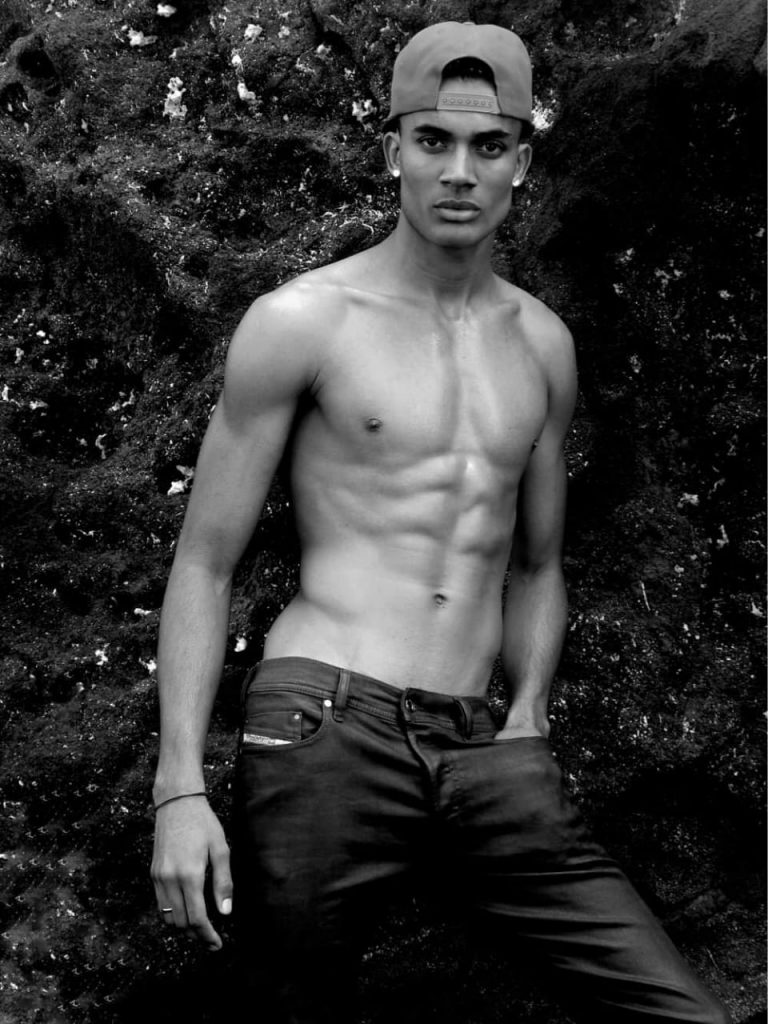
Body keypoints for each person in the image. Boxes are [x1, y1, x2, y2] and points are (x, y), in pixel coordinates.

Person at [150, 21, 732, 1024]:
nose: (459, 172)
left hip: (483, 748)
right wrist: (179, 792)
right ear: (393, 151)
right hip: (325, 723)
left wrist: (530, 715)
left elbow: (537, 563)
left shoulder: (542, 346)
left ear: (521, 164)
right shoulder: (304, 322)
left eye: (488, 146)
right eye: (433, 141)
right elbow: (204, 562)